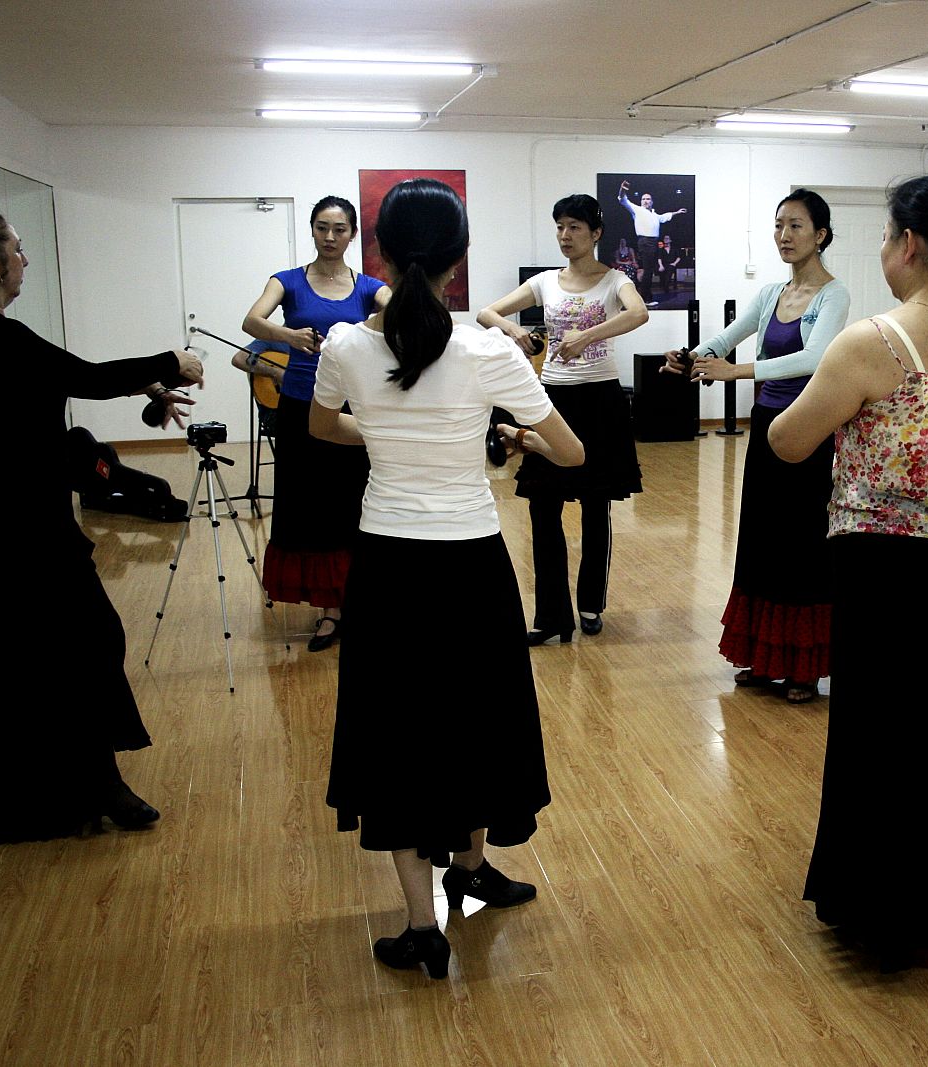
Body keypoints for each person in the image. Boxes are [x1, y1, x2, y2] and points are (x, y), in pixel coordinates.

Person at [310, 178, 584, 978]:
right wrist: (497, 439)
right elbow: (570, 451)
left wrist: (392, 432)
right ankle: (467, 867)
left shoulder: (347, 347)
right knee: (474, 715)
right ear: (459, 263)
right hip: (469, 564)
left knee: (393, 729)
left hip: (388, 565)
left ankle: (423, 918)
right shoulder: (489, 351)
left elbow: (325, 425)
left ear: (382, 255)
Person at [769, 175, 928, 968]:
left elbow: (788, 440)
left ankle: (873, 904)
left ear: (909, 245)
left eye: (886, 237)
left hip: (882, 562)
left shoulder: (873, 342)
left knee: (875, 727)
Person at [0, 204, 202, 846]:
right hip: (7, 530)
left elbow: (43, 398)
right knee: (64, 649)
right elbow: (82, 377)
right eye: (16, 247)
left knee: (60, 652)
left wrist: (144, 390)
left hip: (9, 517)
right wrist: (171, 361)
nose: (24, 257)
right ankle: (63, 794)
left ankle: (92, 783)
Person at [662, 190, 850, 704]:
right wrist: (690, 356)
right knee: (764, 535)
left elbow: (812, 360)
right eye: (779, 226)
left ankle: (804, 668)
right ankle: (766, 659)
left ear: (821, 235)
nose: (784, 236)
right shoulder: (770, 293)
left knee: (803, 538)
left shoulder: (834, 296)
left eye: (796, 226)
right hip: (768, 425)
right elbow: (730, 337)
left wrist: (735, 371)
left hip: (809, 426)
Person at [477, 194, 648, 644]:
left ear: (596, 234)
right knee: (542, 506)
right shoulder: (545, 282)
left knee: (596, 507)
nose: (565, 235)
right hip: (551, 400)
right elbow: (486, 312)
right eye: (559, 227)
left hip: (600, 403)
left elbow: (639, 312)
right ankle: (552, 617)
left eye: (574, 227)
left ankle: (591, 603)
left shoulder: (615, 281)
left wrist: (586, 335)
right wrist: (517, 332)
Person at [242, 195, 391, 651]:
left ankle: (362, 602)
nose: (330, 237)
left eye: (340, 229)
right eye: (323, 228)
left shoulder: (368, 286)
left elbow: (401, 310)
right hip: (299, 409)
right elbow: (251, 320)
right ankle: (329, 611)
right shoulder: (285, 281)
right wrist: (287, 336)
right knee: (310, 506)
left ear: (352, 234)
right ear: (312, 230)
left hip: (351, 409)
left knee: (356, 503)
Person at [616, 180, 685, 306]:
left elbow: (664, 217)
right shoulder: (637, 209)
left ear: (651, 201)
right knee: (648, 271)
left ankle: (647, 297)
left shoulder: (654, 214)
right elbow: (622, 199)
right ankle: (645, 299)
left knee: (650, 271)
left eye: (648, 199)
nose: (646, 201)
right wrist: (623, 189)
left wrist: (677, 212)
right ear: (641, 201)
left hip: (654, 242)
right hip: (645, 242)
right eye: (643, 199)